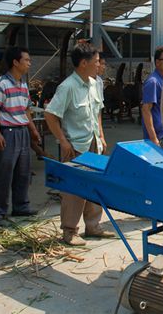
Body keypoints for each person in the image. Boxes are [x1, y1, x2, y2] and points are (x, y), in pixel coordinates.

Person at [44, 42, 114, 246]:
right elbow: (50, 115)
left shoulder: (94, 84)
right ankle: (69, 231)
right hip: (76, 146)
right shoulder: (67, 87)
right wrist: (63, 142)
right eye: (96, 61)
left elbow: (97, 111)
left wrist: (101, 135)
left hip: (94, 143)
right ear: (83, 63)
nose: (99, 65)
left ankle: (93, 226)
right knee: (74, 190)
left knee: (95, 186)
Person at [0, 46, 42, 227]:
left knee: (23, 172)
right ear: (15, 62)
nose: (29, 63)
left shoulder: (23, 85)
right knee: (4, 173)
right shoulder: (0, 84)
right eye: (26, 60)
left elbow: (26, 110)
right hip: (7, 132)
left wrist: (32, 130)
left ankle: (21, 206)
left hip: (22, 131)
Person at [142, 46, 163, 145]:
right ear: (157, 62)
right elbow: (146, 110)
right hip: (159, 137)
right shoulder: (153, 82)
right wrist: (153, 139)